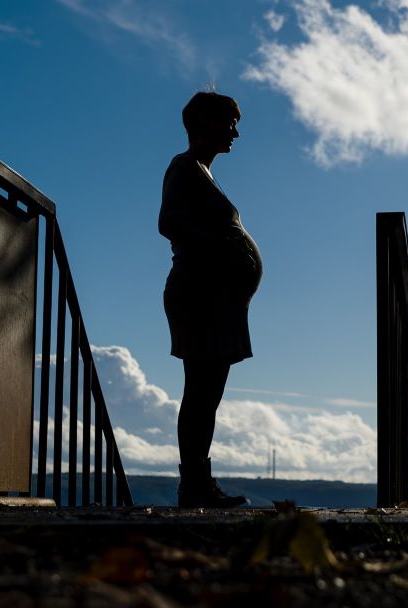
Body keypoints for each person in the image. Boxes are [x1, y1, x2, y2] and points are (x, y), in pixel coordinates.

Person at [159, 91, 262, 508]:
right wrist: (223, 246)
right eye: (229, 122)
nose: (236, 132)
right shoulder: (183, 167)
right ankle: (195, 486)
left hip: (217, 299)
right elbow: (169, 223)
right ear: (202, 123)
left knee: (208, 392)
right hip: (199, 295)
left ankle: (199, 482)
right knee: (201, 391)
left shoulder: (203, 172)